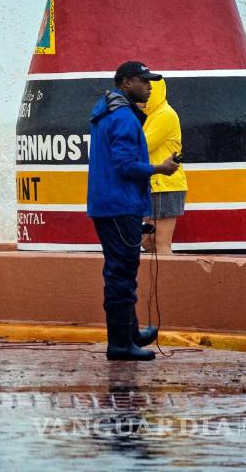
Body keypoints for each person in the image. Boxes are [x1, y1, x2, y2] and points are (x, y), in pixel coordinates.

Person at [88, 61, 181, 361]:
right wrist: (161, 168)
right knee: (121, 274)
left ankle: (130, 332)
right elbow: (126, 166)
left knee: (121, 271)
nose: (150, 86)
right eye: (144, 81)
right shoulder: (125, 118)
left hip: (106, 204)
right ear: (126, 83)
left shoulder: (106, 111)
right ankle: (119, 344)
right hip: (121, 206)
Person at [140, 77, 185, 254]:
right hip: (155, 185)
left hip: (164, 186)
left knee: (161, 244)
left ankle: (168, 282)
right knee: (148, 242)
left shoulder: (164, 115)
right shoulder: (153, 116)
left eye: (146, 89)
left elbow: (143, 145)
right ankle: (156, 281)